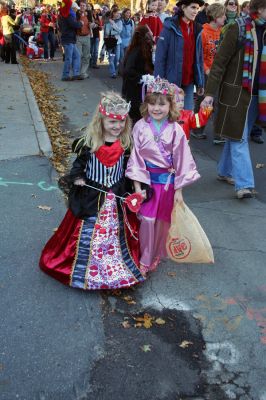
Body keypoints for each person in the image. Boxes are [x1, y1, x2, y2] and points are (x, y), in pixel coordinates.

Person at [40, 92, 145, 290]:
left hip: (116, 196)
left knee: (115, 234)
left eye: (121, 122)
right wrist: (78, 177)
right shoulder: (88, 144)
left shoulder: (126, 144)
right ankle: (86, 269)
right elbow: (79, 165)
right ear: (101, 121)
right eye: (112, 122)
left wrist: (138, 189)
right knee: (86, 231)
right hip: (91, 196)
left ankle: (113, 266)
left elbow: (131, 170)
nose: (117, 126)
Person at [126, 76, 200, 275]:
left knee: (161, 222)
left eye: (161, 104)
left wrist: (179, 191)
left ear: (170, 105)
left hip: (167, 184)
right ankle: (144, 257)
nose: (156, 109)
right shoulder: (140, 126)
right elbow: (136, 158)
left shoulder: (176, 130)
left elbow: (182, 159)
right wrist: (138, 188)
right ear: (146, 105)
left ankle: (155, 253)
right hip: (147, 184)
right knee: (147, 220)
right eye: (152, 104)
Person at [201, 0, 266, 199]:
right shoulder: (237, 28)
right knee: (239, 137)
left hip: (259, 95)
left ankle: (224, 170)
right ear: (260, 9)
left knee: (235, 134)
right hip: (236, 93)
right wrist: (209, 94)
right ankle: (244, 185)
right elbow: (219, 63)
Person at [154, 0, 205, 111]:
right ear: (183, 7)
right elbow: (160, 57)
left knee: (187, 116)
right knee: (171, 115)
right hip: (171, 81)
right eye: (193, 7)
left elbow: (199, 58)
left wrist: (200, 82)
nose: (196, 11)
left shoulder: (197, 28)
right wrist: (159, 82)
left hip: (189, 81)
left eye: (197, 8)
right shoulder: (169, 26)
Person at [192, 2, 226, 142]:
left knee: (219, 103)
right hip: (207, 75)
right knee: (204, 103)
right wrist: (206, 71)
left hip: (219, 74)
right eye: (222, 15)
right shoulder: (203, 31)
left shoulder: (223, 32)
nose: (225, 17)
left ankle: (218, 134)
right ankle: (197, 128)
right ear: (215, 16)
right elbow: (199, 56)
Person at [122, 25, 154, 125]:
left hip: (138, 89)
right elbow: (128, 70)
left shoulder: (143, 48)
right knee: (135, 116)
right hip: (134, 90)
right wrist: (142, 78)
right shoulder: (137, 50)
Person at [58, 0, 83, 81]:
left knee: (76, 56)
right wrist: (81, 23)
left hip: (70, 39)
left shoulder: (66, 15)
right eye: (76, 9)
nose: (77, 10)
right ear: (72, 8)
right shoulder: (68, 15)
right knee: (69, 58)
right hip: (68, 39)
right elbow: (74, 24)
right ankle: (65, 75)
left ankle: (75, 74)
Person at [104, 7, 122, 78]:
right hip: (110, 42)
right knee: (111, 58)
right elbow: (107, 32)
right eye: (117, 13)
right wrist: (115, 31)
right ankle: (113, 72)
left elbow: (120, 31)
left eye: (119, 13)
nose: (118, 14)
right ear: (113, 13)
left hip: (117, 42)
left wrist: (114, 24)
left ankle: (114, 69)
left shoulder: (119, 21)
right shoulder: (108, 21)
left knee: (117, 58)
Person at [76, 0, 93, 79]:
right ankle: (77, 72)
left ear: (86, 7)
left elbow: (91, 22)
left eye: (84, 5)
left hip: (87, 36)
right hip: (78, 36)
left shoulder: (89, 13)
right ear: (79, 6)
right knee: (79, 55)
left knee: (86, 56)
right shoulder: (76, 13)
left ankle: (83, 73)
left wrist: (92, 24)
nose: (82, 7)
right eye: (81, 5)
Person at [90, 3, 102, 68]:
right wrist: (95, 24)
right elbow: (90, 25)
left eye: (97, 10)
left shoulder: (98, 16)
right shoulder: (90, 16)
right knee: (91, 50)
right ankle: (90, 62)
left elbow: (100, 26)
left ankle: (94, 63)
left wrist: (99, 26)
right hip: (91, 35)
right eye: (94, 10)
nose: (95, 11)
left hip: (97, 35)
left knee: (96, 50)